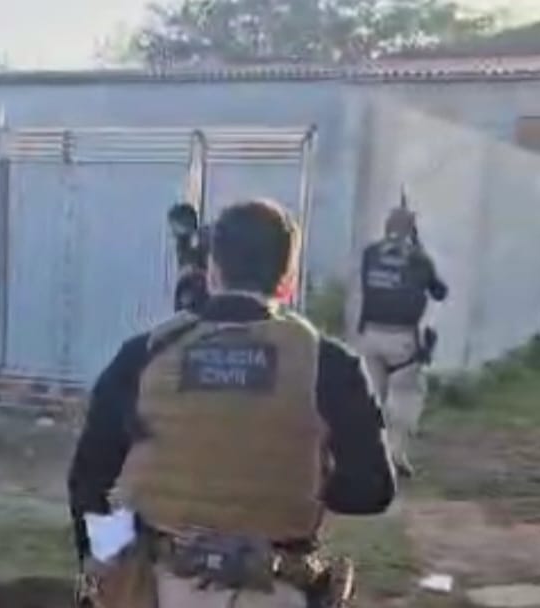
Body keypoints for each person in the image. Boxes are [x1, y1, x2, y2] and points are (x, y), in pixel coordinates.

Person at [68, 199, 396, 608]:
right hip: (276, 588)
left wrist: (113, 558)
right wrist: (302, 482)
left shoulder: (146, 353)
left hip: (161, 587)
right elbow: (373, 490)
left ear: (213, 270)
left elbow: (88, 483)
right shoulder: (327, 361)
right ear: (288, 279)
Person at [357, 205, 448, 478]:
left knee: (373, 398)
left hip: (370, 335)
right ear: (412, 230)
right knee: (406, 397)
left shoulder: (370, 254)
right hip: (402, 340)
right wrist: (419, 248)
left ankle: (367, 454)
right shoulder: (419, 259)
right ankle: (395, 454)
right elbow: (439, 292)